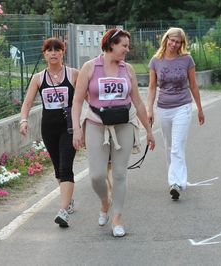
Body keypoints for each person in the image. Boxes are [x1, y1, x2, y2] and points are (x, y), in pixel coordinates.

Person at [71, 28, 155, 237]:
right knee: (96, 175)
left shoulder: (128, 69)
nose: (127, 50)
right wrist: (76, 131)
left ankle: (117, 218)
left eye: (127, 46)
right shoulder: (89, 67)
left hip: (124, 124)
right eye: (124, 46)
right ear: (111, 45)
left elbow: (138, 102)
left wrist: (149, 131)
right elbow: (77, 101)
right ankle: (105, 201)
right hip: (96, 123)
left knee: (119, 174)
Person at [19, 37, 79, 227]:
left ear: (63, 52)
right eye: (49, 50)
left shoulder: (73, 74)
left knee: (65, 166)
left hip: (69, 127)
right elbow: (27, 102)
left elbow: (86, 97)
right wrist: (23, 120)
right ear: (44, 54)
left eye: (57, 50)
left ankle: (63, 210)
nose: (53, 53)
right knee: (57, 169)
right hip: (49, 129)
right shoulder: (38, 78)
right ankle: (68, 199)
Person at [147, 27, 205, 201]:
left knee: (177, 145)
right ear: (166, 39)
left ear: (181, 44)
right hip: (164, 107)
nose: (174, 44)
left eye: (177, 42)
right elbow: (151, 88)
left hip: (183, 106)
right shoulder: (155, 61)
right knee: (169, 145)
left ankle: (175, 183)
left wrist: (200, 109)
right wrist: (149, 109)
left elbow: (193, 85)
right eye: (171, 40)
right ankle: (178, 180)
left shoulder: (186, 59)